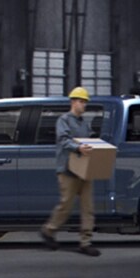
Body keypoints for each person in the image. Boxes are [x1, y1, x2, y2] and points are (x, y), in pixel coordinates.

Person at [45, 88, 104, 257]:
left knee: (88, 207)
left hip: (84, 170)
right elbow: (63, 140)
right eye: (81, 101)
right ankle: (49, 230)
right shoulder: (64, 120)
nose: (83, 105)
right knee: (66, 205)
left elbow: (88, 139)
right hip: (67, 170)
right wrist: (78, 147)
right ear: (73, 102)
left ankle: (85, 242)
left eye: (85, 102)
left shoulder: (83, 123)